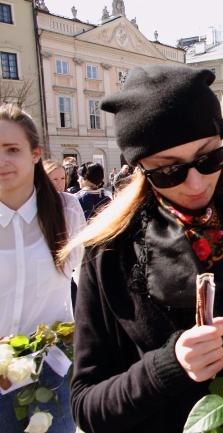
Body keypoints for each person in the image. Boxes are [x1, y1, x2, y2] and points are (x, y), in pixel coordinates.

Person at [58, 64, 223, 433]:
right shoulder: (109, 251)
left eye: (209, 158)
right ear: (140, 168)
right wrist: (167, 367)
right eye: (168, 170)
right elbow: (86, 405)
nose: (195, 182)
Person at [0, 103, 85, 433]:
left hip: (51, 369)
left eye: (12, 149)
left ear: (35, 154)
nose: (3, 160)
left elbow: (81, 278)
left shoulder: (66, 210)